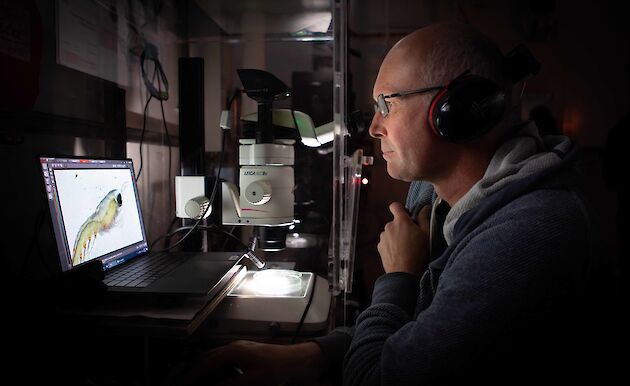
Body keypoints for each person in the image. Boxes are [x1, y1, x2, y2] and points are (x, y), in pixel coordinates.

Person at [181, 22, 615, 386]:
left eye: (385, 105)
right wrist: (315, 354)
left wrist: (401, 276)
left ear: (456, 109)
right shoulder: (432, 196)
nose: (373, 127)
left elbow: (381, 377)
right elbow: (414, 335)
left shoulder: (531, 234)